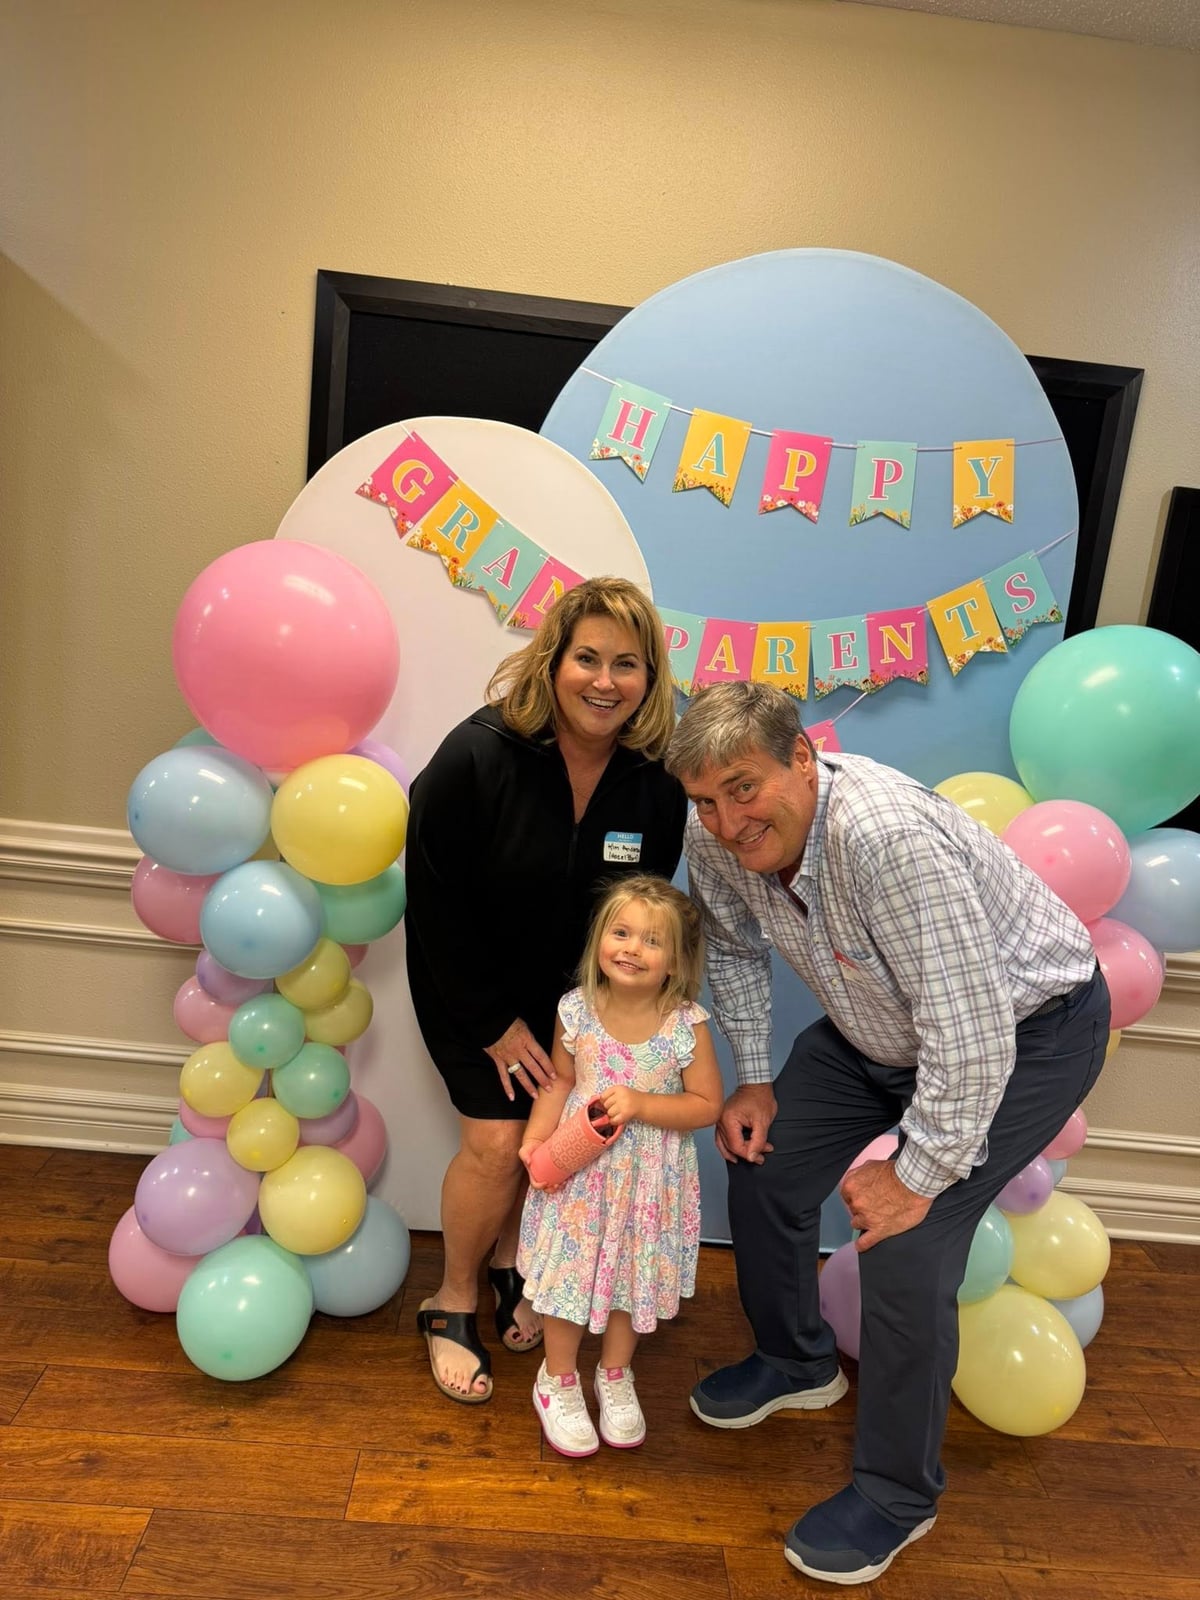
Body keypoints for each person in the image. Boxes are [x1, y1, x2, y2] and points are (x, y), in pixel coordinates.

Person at [665, 681, 1108, 1586]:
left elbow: (971, 1029)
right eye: (705, 800)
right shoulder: (715, 837)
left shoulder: (884, 839)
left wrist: (918, 1176)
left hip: (1026, 1031)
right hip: (880, 1027)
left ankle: (899, 1495)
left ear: (801, 758)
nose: (726, 821)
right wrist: (753, 1077)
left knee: (908, 1243)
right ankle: (796, 1361)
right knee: (764, 1160)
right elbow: (742, 952)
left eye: (743, 789)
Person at [405, 577, 687, 1403]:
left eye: (626, 665)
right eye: (588, 658)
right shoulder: (477, 753)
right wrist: (492, 1022)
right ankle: (451, 1297)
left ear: (648, 678)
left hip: (578, 1008)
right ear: (554, 661)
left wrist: (608, 1024)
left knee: (551, 1149)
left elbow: (642, 909)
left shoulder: (654, 781)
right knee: (497, 1147)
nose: (605, 681)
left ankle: (511, 1264)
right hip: (471, 987)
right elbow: (432, 899)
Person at [516, 875, 723, 1456]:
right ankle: (557, 1379)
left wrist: (641, 1104)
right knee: (567, 1284)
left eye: (651, 941)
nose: (631, 948)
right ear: (599, 941)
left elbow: (707, 1105)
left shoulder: (686, 1024)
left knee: (632, 1283)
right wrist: (537, 1140)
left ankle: (614, 1375)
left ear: (676, 962)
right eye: (621, 932)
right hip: (580, 1178)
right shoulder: (576, 1010)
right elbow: (558, 1081)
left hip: (649, 1186)